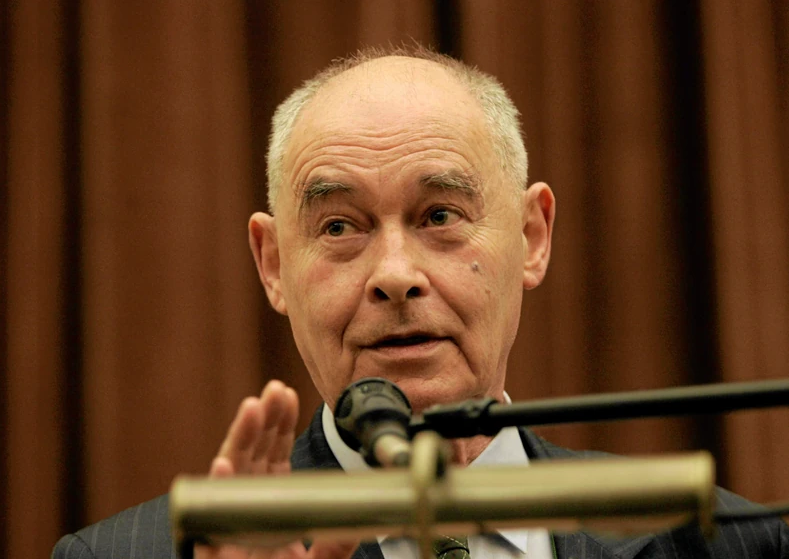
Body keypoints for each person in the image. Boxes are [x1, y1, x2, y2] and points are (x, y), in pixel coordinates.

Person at [53, 47, 788, 559]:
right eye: (339, 227)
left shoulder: (723, 542)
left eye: (439, 216)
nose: (395, 275)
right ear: (273, 265)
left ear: (532, 238)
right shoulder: (122, 555)